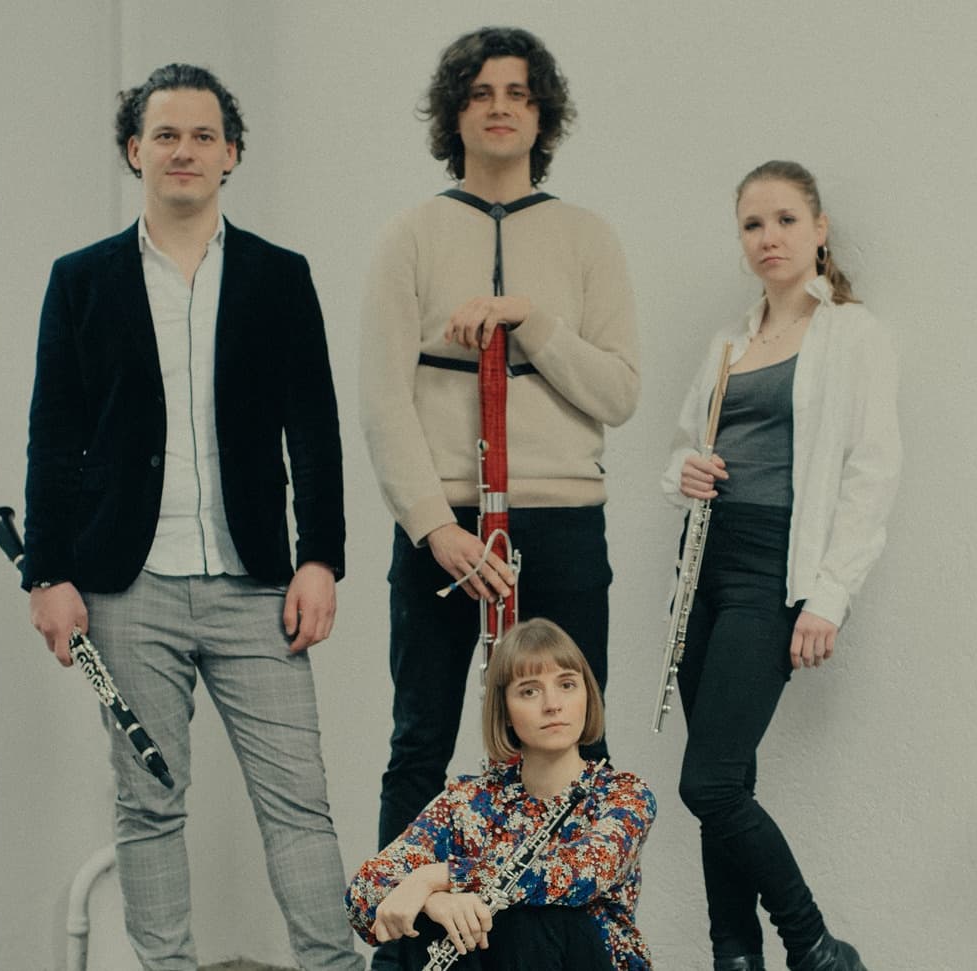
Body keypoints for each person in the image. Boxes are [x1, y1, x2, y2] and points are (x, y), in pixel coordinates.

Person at [21, 63, 363, 971]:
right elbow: (54, 434)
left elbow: (315, 428)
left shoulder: (280, 278)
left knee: (298, 801)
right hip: (125, 587)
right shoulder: (81, 280)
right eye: (165, 134)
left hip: (259, 586)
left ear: (232, 154)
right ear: (135, 151)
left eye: (203, 135)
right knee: (148, 803)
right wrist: (45, 572)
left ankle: (337, 964)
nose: (185, 150)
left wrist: (320, 557)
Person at [359, 28, 638, 968]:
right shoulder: (410, 234)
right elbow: (382, 396)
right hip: (447, 527)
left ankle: (579, 946)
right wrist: (434, 526)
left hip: (559, 517)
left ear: (542, 111)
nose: (500, 106)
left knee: (572, 740)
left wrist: (537, 324)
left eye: (519, 91)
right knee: (421, 736)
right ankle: (403, 953)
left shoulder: (587, 236)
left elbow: (620, 392)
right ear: (456, 113)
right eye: (480, 92)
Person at [659, 160, 899, 971]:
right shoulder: (729, 340)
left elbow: (872, 473)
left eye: (786, 220)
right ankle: (735, 955)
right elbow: (687, 446)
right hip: (701, 565)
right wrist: (682, 470)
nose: (770, 238)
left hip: (774, 567)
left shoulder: (852, 335)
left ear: (819, 229)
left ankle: (816, 946)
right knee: (726, 779)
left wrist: (829, 597)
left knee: (710, 783)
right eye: (754, 225)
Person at [347, 619, 654, 970]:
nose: (553, 704)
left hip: (589, 958)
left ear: (587, 695)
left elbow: (581, 872)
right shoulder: (470, 799)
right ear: (504, 710)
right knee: (440, 921)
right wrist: (435, 902)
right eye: (529, 691)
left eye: (567, 684)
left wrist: (436, 878)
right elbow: (363, 891)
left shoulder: (624, 795)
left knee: (529, 918)